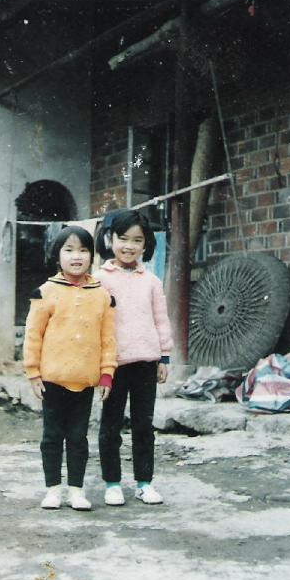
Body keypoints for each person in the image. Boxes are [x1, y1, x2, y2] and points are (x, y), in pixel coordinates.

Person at [23, 225, 117, 511]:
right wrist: (33, 372)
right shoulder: (45, 292)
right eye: (69, 250)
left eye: (83, 250)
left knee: (78, 438)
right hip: (52, 379)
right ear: (58, 256)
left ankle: (77, 490)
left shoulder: (102, 295)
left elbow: (108, 339)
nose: (77, 257)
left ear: (92, 256)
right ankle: (53, 490)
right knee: (52, 436)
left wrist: (106, 374)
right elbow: (33, 335)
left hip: (85, 381)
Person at [94, 210, 173, 506]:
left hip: (146, 363)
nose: (129, 246)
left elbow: (161, 319)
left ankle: (144, 483)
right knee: (110, 425)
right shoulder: (99, 279)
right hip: (113, 365)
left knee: (143, 426)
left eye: (137, 240)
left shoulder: (151, 281)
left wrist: (164, 356)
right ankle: (112, 483)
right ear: (110, 239)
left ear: (146, 244)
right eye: (123, 239)